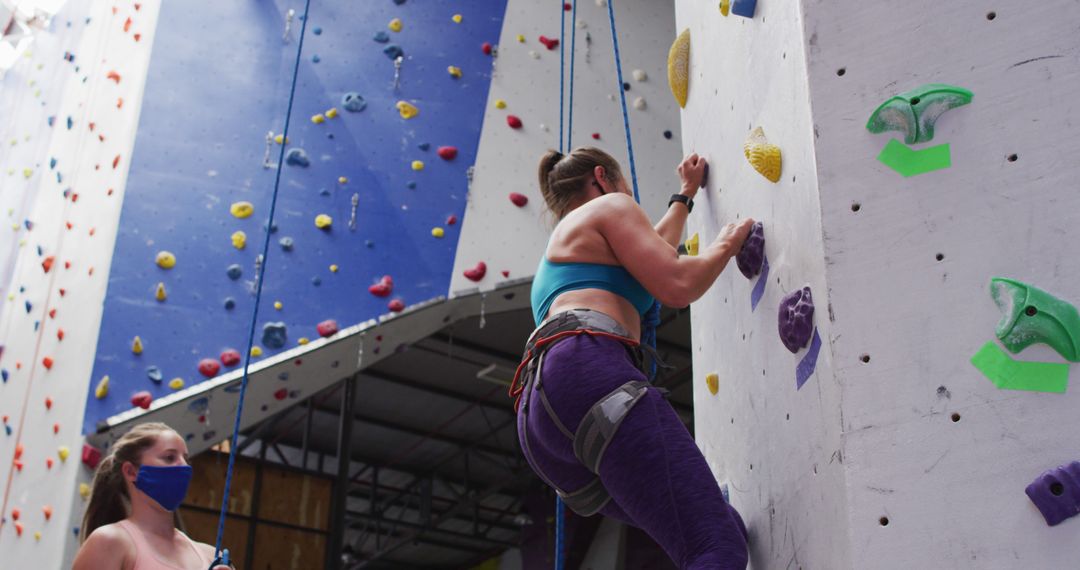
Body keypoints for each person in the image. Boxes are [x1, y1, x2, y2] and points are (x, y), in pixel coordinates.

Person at [510, 147, 753, 569]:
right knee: (715, 546)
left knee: (720, 529)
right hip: (586, 371)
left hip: (541, 414)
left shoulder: (569, 247)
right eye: (626, 187)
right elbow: (676, 283)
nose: (629, 196)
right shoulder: (611, 205)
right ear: (603, 179)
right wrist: (728, 244)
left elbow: (653, 248)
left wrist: (685, 196)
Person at [73, 422, 232, 570]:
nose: (184, 466)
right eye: (170, 457)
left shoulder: (211, 556)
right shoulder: (110, 542)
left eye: (186, 459)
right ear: (131, 472)